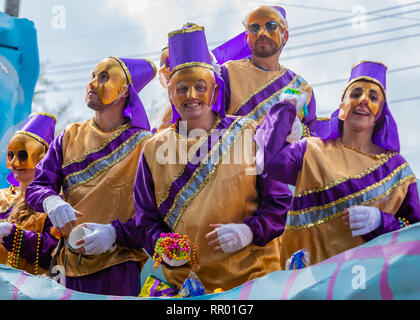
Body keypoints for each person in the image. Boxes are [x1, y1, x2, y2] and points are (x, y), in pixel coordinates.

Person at [129, 23, 291, 292]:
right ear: (171, 93)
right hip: (184, 285)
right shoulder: (152, 148)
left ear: (215, 91)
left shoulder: (250, 132)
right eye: (181, 88)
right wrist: (162, 245)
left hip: (253, 280)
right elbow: (145, 218)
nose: (191, 96)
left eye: (199, 86)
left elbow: (278, 200)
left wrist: (249, 231)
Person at [256, 60, 420, 268]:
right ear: (341, 107)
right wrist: (286, 108)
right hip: (307, 284)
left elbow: (414, 233)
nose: (363, 101)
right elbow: (267, 162)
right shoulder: (310, 150)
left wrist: (381, 221)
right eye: (355, 94)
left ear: (380, 113)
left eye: (373, 97)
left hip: (368, 286)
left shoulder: (396, 169)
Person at [25, 57, 157, 296]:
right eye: (92, 76)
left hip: (117, 269)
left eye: (104, 77)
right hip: (65, 266)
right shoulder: (68, 137)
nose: (93, 83)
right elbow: (37, 186)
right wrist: (51, 201)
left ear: (125, 90)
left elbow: (157, 215)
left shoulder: (147, 145)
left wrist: (115, 233)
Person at [213, 5, 316, 139]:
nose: (262, 33)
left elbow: (313, 138)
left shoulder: (302, 87)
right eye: (254, 27)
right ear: (247, 38)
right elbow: (210, 120)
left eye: (271, 25)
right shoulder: (228, 72)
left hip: (281, 159)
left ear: (285, 36)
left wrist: (299, 130)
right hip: (237, 156)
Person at [0, 112, 58, 275]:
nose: (15, 163)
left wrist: (14, 234)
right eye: (11, 154)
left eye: (24, 155)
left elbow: (54, 253)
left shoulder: (54, 203)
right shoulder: (1, 197)